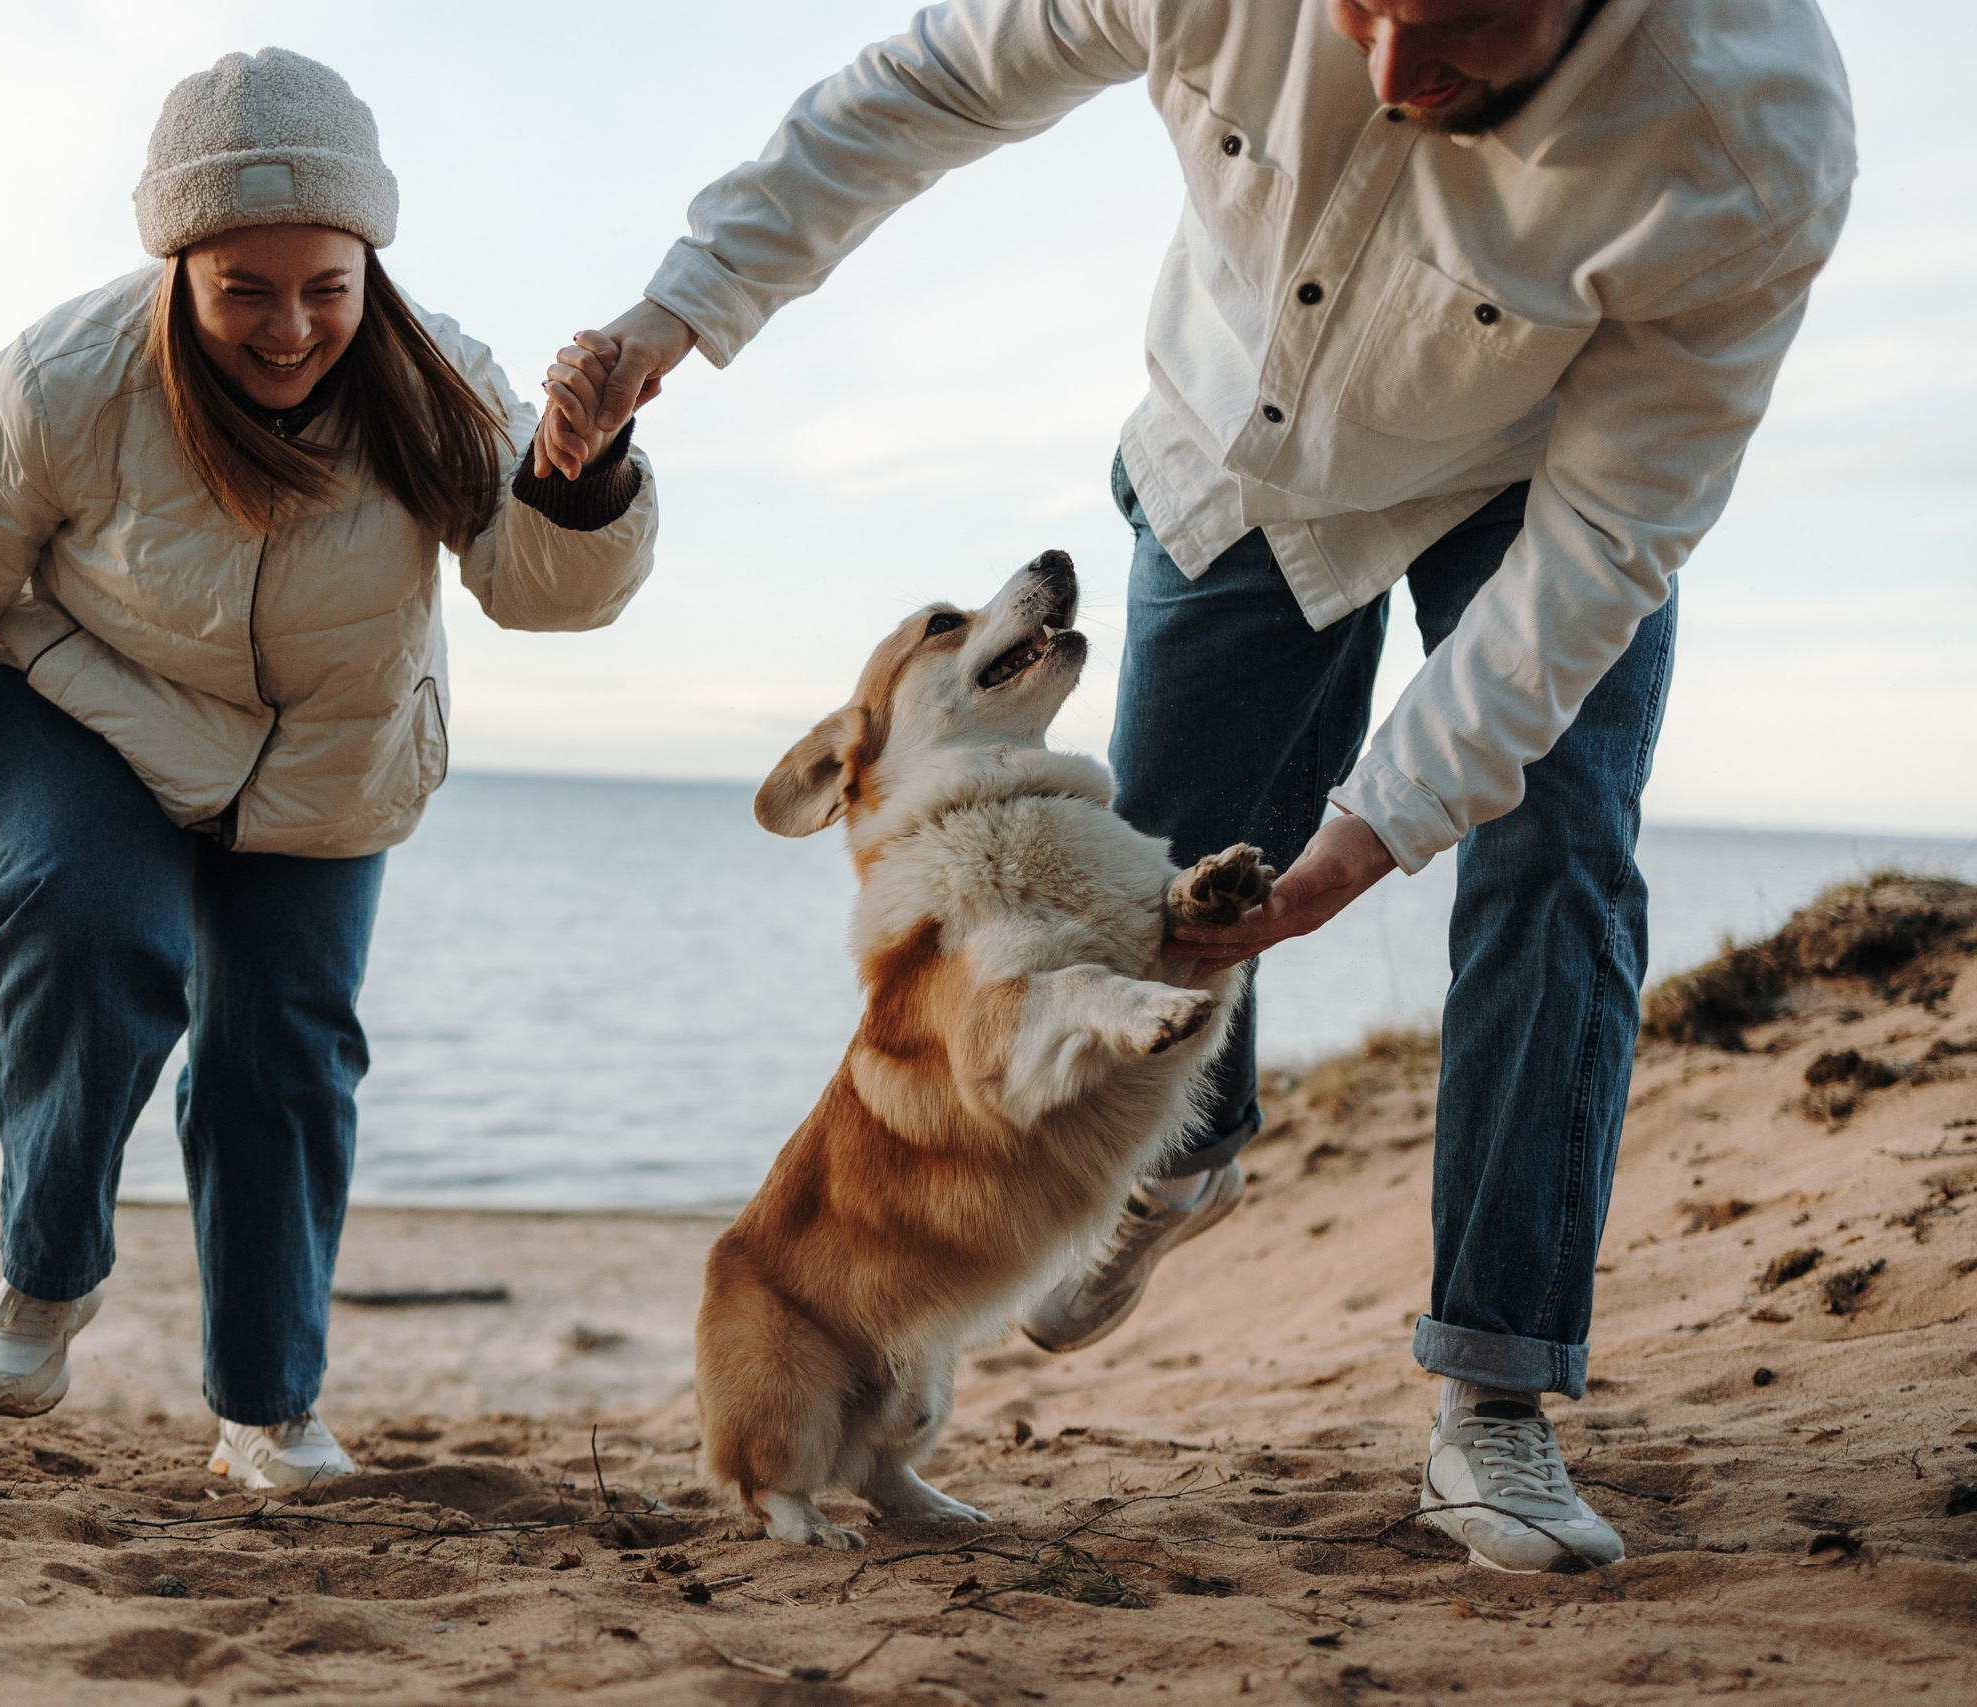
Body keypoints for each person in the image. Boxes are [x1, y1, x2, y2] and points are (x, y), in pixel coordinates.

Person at [541, 0, 1851, 1571]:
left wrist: (1375, 832)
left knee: (1555, 855)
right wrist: (677, 311)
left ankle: (1497, 1394)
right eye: (1360, 12)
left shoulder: (1745, 138)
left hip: (1539, 489)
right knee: (1143, 884)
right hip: (1241, 443)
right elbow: (937, 80)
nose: (1390, 77)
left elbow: (1608, 550)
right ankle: (1181, 1157)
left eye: (1459, 31)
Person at [0, 48, 658, 1490]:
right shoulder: (61, 380)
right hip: (90, 704)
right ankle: (47, 1273)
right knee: (89, 928)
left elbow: (542, 592)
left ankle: (269, 1406)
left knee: (283, 1058)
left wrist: (578, 477)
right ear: (179, 266)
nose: (291, 326)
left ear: (369, 264)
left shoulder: (442, 386)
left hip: (331, 756)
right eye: (246, 288)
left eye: (326, 286)